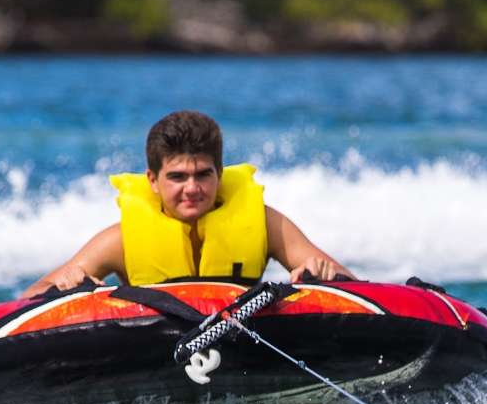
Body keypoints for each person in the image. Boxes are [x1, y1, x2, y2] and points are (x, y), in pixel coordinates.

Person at [20, 110, 353, 299]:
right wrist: (65, 285)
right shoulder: (119, 240)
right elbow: (31, 296)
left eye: (203, 175)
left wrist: (320, 276)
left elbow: (355, 288)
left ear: (219, 174)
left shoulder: (267, 224)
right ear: (153, 180)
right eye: (177, 177)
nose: (192, 188)